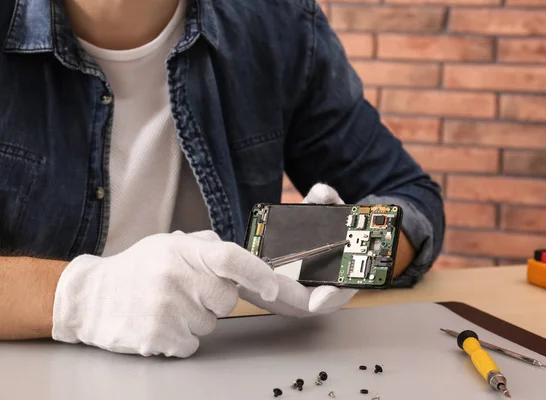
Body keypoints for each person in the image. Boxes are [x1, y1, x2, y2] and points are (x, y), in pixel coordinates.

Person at [0, 0, 445, 358]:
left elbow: (410, 198)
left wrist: (321, 254)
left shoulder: (279, 23)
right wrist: (85, 298)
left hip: (222, 366)